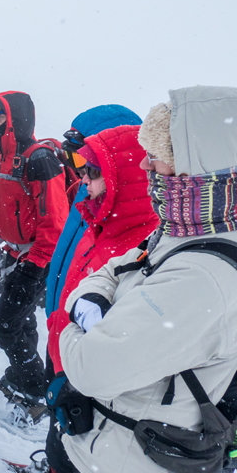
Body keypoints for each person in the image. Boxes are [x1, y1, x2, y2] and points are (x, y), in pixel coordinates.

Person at [55, 86, 237, 473]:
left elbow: (91, 368)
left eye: (158, 156)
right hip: (115, 449)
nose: (145, 164)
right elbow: (114, 270)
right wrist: (95, 298)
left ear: (200, 162)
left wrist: (70, 322)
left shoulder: (205, 278)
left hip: (130, 471)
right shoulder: (193, 228)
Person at [40, 122, 158, 473]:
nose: (83, 180)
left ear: (123, 175)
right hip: (62, 351)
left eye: (93, 171)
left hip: (94, 377)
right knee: (60, 444)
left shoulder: (143, 241)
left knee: (91, 461)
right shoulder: (96, 221)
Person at [0, 91, 69, 420]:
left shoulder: (39, 159)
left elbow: (55, 221)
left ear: (15, 120)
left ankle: (34, 390)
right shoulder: (1, 157)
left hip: (39, 258)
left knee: (3, 326)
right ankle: (25, 381)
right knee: (21, 323)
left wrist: (34, 269)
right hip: (15, 255)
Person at [44, 105, 143, 320]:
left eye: (87, 161)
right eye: (74, 159)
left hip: (78, 330)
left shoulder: (137, 222)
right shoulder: (85, 192)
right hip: (60, 318)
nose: (81, 173)